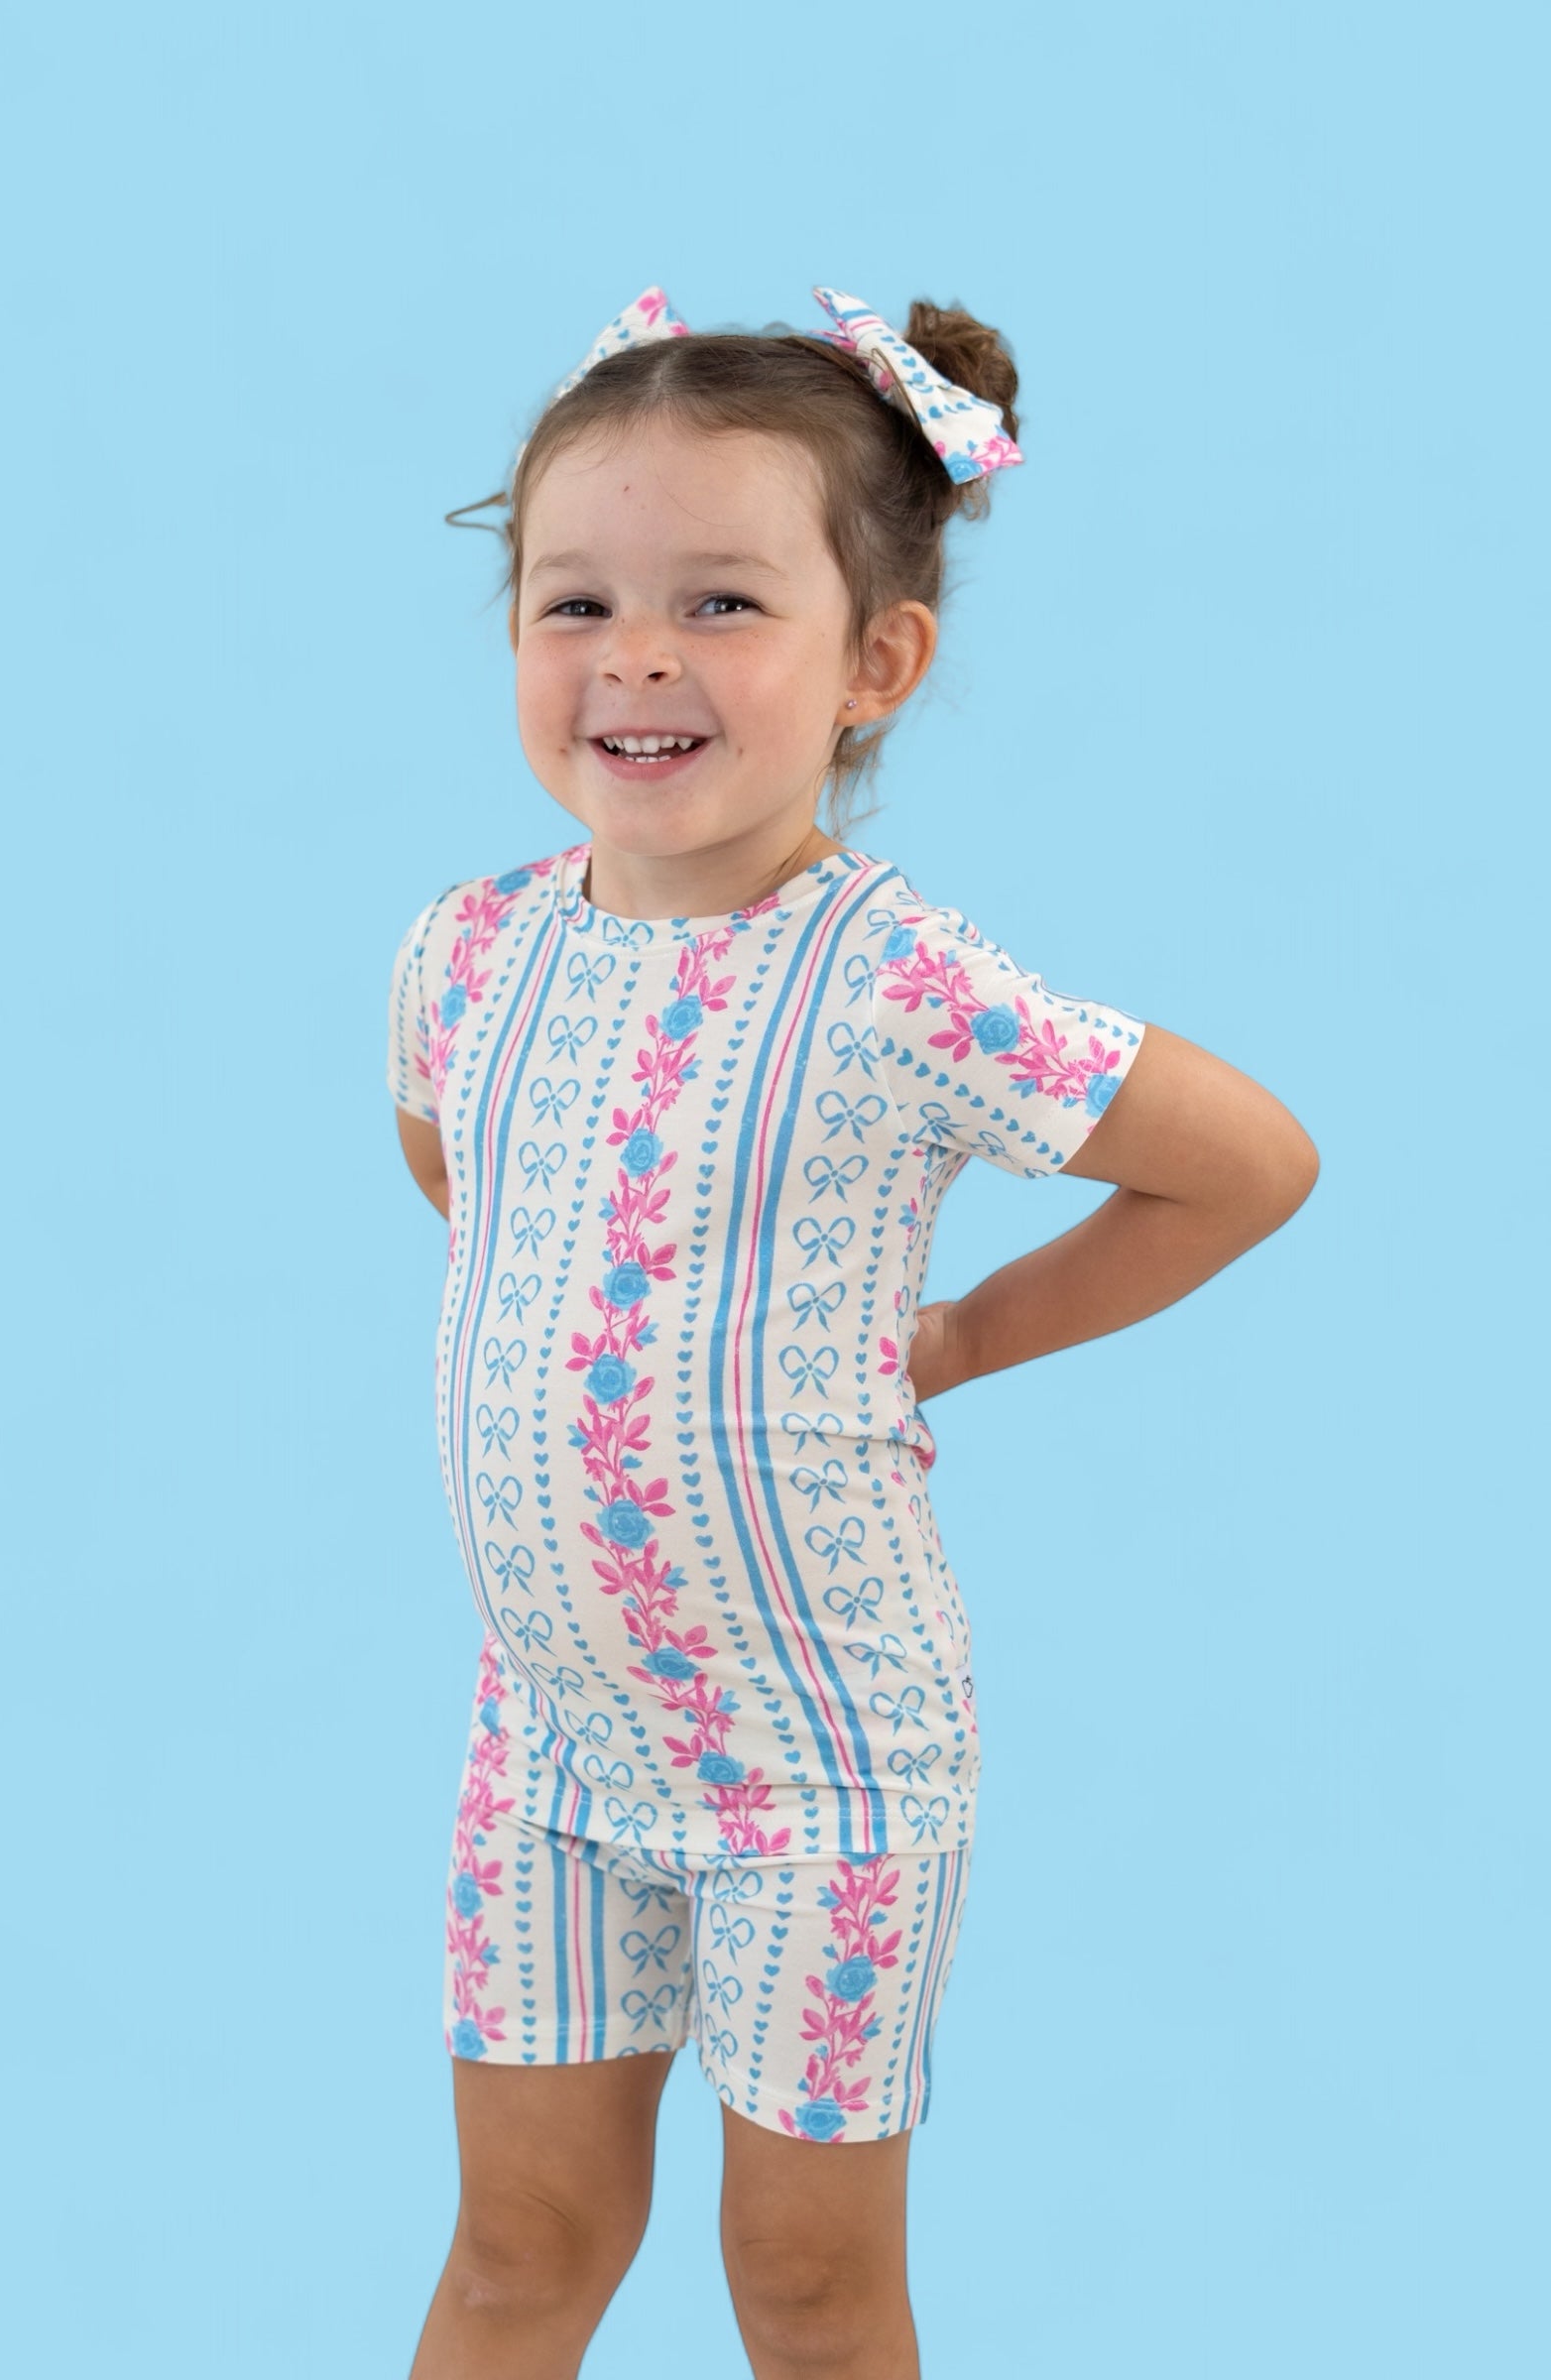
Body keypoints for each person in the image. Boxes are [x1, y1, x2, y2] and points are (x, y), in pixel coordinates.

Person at [386, 285, 1318, 2380]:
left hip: (822, 1759)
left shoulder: (904, 986)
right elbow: (467, 1172)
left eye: (719, 602)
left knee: (804, 2292)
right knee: (519, 2248)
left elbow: (1247, 1164)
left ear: (874, 663)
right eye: (575, 601)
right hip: (551, 1739)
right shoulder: (464, 953)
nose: (636, 655)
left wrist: (961, 1336)